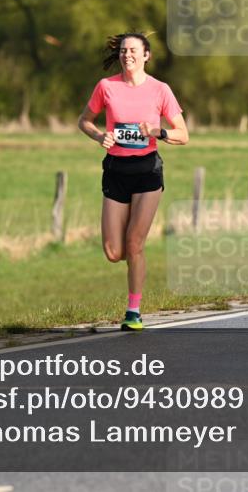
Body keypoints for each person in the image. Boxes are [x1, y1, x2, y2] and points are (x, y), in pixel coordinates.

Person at [78, 33, 189, 331]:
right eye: (124, 50)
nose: (128, 55)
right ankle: (135, 259)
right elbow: (84, 121)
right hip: (115, 170)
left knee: (134, 243)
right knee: (115, 252)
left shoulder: (160, 90)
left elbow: (183, 134)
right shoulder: (106, 87)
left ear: (146, 56)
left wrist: (158, 131)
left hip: (147, 171)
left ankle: (133, 311)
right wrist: (100, 135)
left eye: (134, 51)